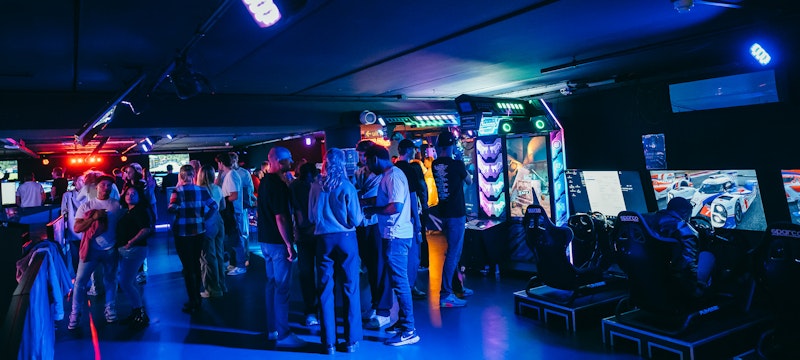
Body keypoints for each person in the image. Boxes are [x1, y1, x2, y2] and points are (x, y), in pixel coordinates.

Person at [363, 145, 420, 347]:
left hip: (396, 235)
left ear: (376, 159)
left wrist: (373, 210)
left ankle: (409, 330)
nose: (367, 167)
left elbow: (395, 206)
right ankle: (403, 323)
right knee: (398, 282)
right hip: (394, 235)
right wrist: (368, 202)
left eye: (367, 162)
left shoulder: (393, 176)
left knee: (400, 283)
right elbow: (386, 199)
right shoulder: (389, 175)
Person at [309, 148, 364, 354]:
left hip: (323, 239)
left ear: (325, 162)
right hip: (346, 238)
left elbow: (311, 216)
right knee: (350, 287)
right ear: (342, 163)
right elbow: (356, 219)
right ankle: (351, 341)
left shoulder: (316, 186)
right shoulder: (347, 186)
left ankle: (328, 343)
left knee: (325, 290)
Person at [257, 146, 304, 347]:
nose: (291, 162)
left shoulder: (265, 182)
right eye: (288, 159)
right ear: (278, 161)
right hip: (277, 242)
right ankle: (284, 333)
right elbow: (281, 218)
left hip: (265, 241)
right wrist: (289, 244)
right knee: (282, 288)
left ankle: (273, 329)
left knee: (271, 285)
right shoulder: (278, 186)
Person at [68, 175, 123, 329]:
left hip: (110, 249)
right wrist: (93, 218)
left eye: (109, 185)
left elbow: (122, 226)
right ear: (96, 187)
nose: (106, 188)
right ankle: (75, 313)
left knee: (111, 280)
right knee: (80, 282)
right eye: (103, 185)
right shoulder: (86, 206)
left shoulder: (116, 205)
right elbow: (77, 228)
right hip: (91, 250)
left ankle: (110, 308)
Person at [354, 140, 393, 330]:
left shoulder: (383, 175)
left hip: (377, 222)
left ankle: (383, 310)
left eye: (364, 155)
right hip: (362, 222)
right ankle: (375, 304)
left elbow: (382, 198)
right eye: (360, 155)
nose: (362, 159)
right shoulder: (358, 173)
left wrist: (361, 200)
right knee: (370, 265)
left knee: (379, 265)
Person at [169, 165, 218, 314]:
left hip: (182, 232)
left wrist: (180, 208)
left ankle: (192, 299)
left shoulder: (177, 191)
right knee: (196, 263)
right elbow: (214, 206)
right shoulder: (202, 190)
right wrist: (204, 218)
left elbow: (171, 208)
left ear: (181, 176)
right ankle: (197, 298)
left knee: (187, 266)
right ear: (194, 175)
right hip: (199, 231)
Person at [432, 131, 473, 308]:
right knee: (453, 254)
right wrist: (461, 161)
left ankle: (457, 287)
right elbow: (469, 181)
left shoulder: (435, 164)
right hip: (456, 213)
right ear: (451, 146)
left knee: (452, 252)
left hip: (444, 213)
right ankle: (446, 294)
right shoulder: (457, 164)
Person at [649, 196, 715, 297]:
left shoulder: (650, 221)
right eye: (689, 216)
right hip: (682, 285)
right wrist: (694, 287)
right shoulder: (685, 231)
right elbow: (688, 264)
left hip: (654, 275)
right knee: (707, 255)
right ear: (685, 213)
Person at [394, 139, 428, 300]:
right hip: (409, 218)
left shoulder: (393, 169)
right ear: (408, 151)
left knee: (399, 256)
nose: (415, 152)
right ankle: (410, 287)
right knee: (414, 254)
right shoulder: (410, 169)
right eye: (413, 149)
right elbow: (413, 196)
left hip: (395, 219)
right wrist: (418, 220)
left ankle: (401, 286)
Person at [116, 185, 154, 328]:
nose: (130, 196)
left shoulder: (139, 211)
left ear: (139, 196)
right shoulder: (129, 211)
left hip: (134, 251)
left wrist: (131, 242)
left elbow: (146, 229)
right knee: (130, 282)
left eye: (134, 194)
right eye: (128, 194)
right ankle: (136, 312)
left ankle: (140, 313)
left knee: (125, 282)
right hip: (131, 251)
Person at [289, 162, 320, 327]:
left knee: (306, 273)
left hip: (303, 236)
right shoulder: (318, 185)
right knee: (323, 272)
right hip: (319, 234)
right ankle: (321, 309)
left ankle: (311, 311)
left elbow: (296, 213)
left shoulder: (294, 186)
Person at [197, 164, 227, 298]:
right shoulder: (218, 188)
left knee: (208, 257)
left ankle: (213, 289)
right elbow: (223, 206)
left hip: (207, 222)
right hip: (219, 220)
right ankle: (222, 285)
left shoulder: (199, 190)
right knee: (219, 254)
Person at [215, 153, 247, 275]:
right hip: (230, 212)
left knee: (236, 240)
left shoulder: (231, 175)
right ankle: (235, 264)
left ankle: (241, 265)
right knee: (233, 240)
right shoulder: (228, 175)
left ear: (221, 163)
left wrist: (223, 201)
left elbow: (234, 195)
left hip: (233, 212)